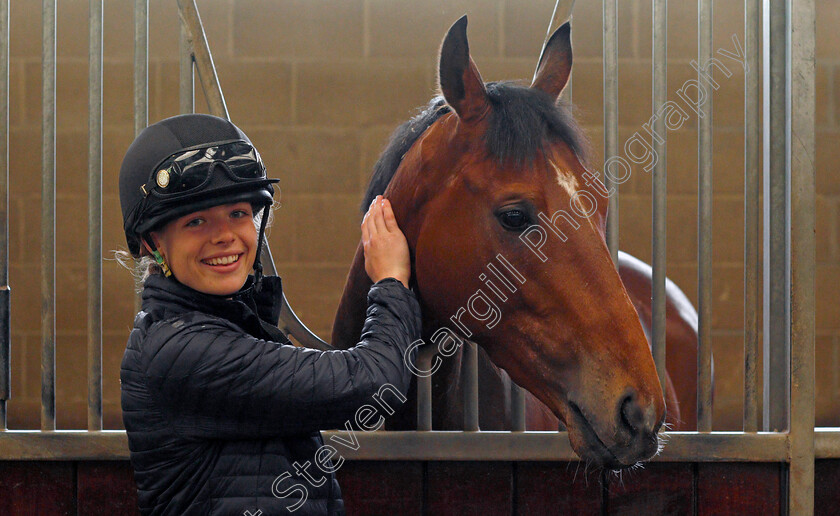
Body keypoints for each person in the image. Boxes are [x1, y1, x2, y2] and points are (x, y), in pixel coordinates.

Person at [118, 113, 421, 515]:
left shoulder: (232, 327)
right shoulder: (180, 350)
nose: (225, 235)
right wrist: (391, 281)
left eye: (238, 214)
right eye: (196, 221)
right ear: (152, 242)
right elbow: (374, 382)